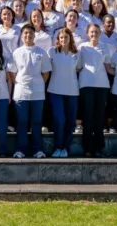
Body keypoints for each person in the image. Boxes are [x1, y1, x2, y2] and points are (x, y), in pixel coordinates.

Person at [6, 24, 52, 158]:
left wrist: (36, 84)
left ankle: (37, 149)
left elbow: (45, 73)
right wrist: (21, 84)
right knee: (22, 122)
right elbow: (12, 74)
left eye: (31, 33)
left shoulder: (41, 52)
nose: (28, 36)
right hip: (21, 93)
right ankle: (20, 149)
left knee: (37, 122)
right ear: (22, 35)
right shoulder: (17, 52)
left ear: (34, 35)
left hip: (37, 93)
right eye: (25, 33)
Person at [77, 24, 111, 157]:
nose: (94, 34)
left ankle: (98, 148)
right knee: (88, 116)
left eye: (96, 32)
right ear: (87, 33)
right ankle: (87, 148)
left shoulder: (104, 47)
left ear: (100, 33)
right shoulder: (82, 47)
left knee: (99, 117)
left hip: (102, 85)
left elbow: (108, 66)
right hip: (86, 84)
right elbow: (79, 66)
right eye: (91, 32)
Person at [47, 28, 80, 158]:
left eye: (66, 37)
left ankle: (65, 148)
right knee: (59, 119)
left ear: (70, 38)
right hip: (55, 90)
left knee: (70, 121)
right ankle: (57, 147)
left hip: (72, 91)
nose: (63, 40)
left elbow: (79, 68)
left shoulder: (76, 53)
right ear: (58, 39)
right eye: (61, 37)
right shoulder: (52, 52)